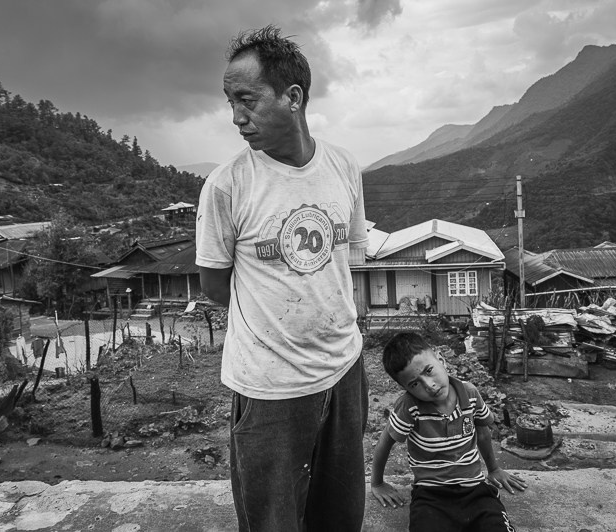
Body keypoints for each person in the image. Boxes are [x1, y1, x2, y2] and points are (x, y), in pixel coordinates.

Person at [195, 25, 370, 532]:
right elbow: (213, 287)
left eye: (246, 99)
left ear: (292, 97)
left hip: (344, 370)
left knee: (338, 512)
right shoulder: (228, 184)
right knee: (273, 518)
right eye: (230, 102)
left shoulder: (343, 166)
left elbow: (346, 262)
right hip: (270, 386)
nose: (236, 117)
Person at [371, 332, 527, 532]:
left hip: (475, 490)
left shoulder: (469, 393)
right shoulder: (409, 406)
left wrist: (494, 469)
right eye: (414, 384)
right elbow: (385, 442)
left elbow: (483, 434)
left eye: (429, 370)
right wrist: (377, 483)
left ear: (441, 359)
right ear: (406, 389)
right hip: (430, 495)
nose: (429, 385)